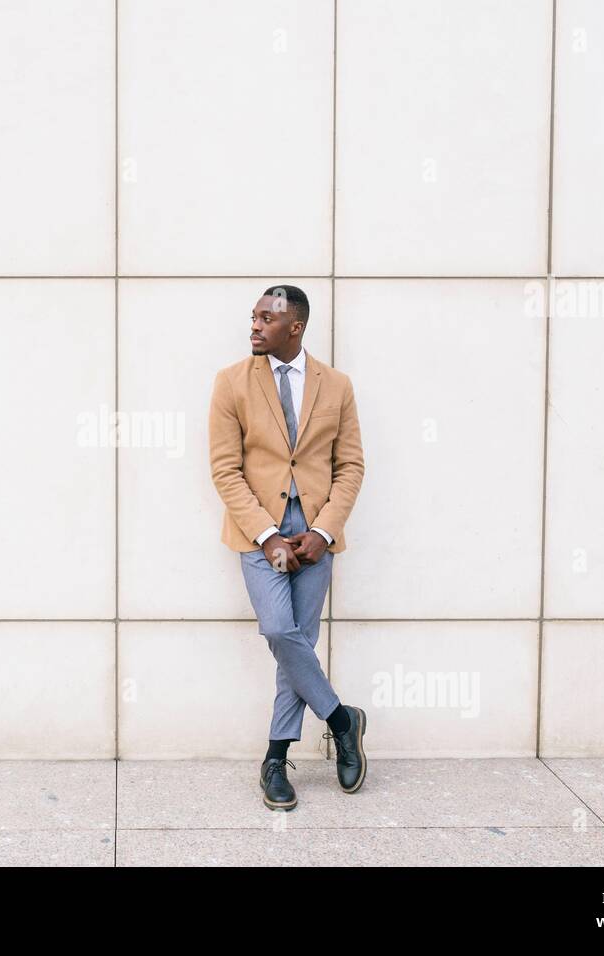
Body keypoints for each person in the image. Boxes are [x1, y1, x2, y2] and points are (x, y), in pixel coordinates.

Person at [206, 284, 367, 811]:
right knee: (281, 631)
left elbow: (351, 467)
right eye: (253, 317)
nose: (254, 326)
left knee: (294, 644)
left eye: (265, 318)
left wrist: (322, 533)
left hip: (315, 529)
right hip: (259, 530)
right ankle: (343, 720)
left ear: (294, 327)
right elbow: (225, 470)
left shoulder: (337, 386)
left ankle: (275, 759)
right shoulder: (230, 383)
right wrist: (267, 533)